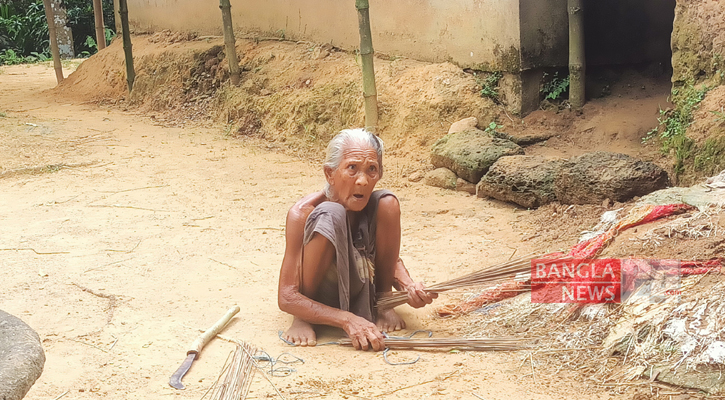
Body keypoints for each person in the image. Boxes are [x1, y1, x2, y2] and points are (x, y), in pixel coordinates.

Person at [278, 128, 437, 351]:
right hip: (318, 296)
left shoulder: (373, 207)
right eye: (352, 168)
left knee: (388, 202)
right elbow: (286, 296)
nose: (362, 180)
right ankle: (303, 318)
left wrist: (408, 287)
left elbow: (390, 259)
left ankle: (383, 303)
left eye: (371, 169)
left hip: (360, 285)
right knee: (331, 214)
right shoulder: (303, 213)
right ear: (329, 174)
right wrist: (347, 320)